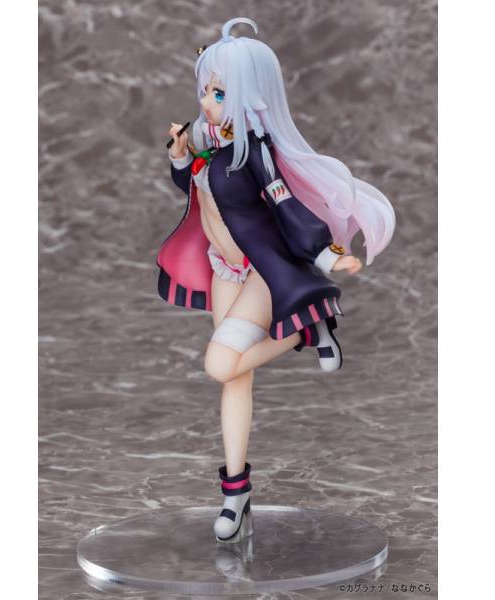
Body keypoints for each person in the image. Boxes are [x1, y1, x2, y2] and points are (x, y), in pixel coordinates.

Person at [157, 17, 395, 543]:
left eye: (220, 93)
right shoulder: (209, 139)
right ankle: (235, 491)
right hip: (224, 269)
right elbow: (198, 190)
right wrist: (179, 159)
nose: (207, 102)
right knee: (236, 378)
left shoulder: (256, 150)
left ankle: (304, 326)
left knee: (220, 364)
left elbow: (286, 205)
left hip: (260, 271)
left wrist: (327, 255)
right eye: (205, 90)